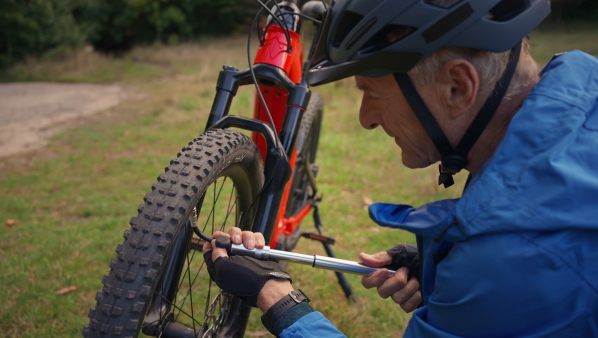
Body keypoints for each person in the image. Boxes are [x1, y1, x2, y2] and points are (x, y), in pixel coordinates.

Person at [204, 0, 598, 336]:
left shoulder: (509, 262)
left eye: (372, 94)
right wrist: (446, 259)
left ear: (457, 87)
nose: (366, 119)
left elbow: (520, 265)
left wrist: (277, 298)